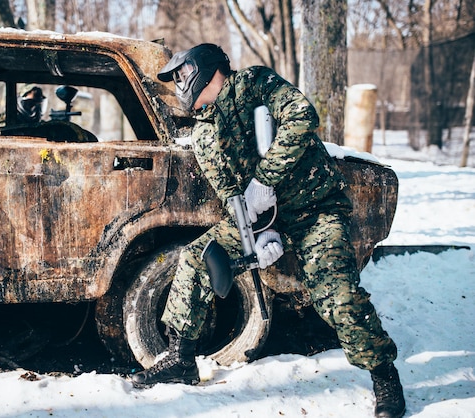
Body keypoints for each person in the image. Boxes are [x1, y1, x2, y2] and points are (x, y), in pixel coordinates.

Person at [131, 43, 406, 418]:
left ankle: (384, 375)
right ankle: (181, 357)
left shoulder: (254, 83)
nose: (179, 85)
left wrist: (264, 179)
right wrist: (258, 238)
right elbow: (231, 195)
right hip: (264, 220)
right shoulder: (204, 133)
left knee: (337, 295)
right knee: (196, 258)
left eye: (181, 75)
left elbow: (301, 116)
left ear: (204, 70)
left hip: (315, 211)